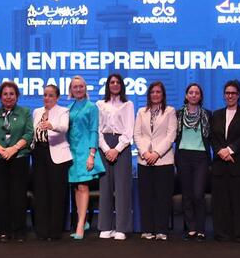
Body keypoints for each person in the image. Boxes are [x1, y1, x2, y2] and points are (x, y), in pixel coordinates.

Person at [210, 79, 240, 243]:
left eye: (233, 93)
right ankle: (222, 233)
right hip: (219, 164)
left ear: (239, 95)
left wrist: (230, 150)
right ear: (224, 95)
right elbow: (212, 137)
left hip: (239, 164)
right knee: (221, 201)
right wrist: (220, 151)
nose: (230, 96)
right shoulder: (216, 114)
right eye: (227, 93)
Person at [0, 81, 33, 242]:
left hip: (19, 158)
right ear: (0, 97)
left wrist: (13, 149)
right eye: (5, 94)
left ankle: (19, 230)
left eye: (12, 94)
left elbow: (29, 134)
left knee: (18, 196)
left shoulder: (25, 112)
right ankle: (4, 230)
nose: (8, 97)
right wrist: (2, 150)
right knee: (2, 196)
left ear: (17, 96)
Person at [134, 81, 175, 240]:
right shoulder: (141, 111)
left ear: (163, 94)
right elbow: (137, 134)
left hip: (163, 160)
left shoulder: (170, 111)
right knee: (146, 196)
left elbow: (170, 135)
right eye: (152, 92)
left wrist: (156, 153)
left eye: (158, 92)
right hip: (144, 160)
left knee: (162, 197)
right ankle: (147, 229)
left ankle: (161, 230)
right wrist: (145, 152)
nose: (155, 94)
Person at [97, 73, 135, 240]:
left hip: (122, 146)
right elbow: (97, 130)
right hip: (104, 144)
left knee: (122, 188)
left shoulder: (128, 104)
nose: (114, 84)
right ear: (108, 85)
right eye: (111, 82)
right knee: (105, 187)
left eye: (117, 82)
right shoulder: (100, 104)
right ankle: (105, 226)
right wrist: (106, 149)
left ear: (121, 85)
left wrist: (116, 149)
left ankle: (121, 228)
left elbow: (129, 130)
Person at [66, 76, 104, 240]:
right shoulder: (68, 108)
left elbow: (94, 131)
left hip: (85, 152)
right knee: (76, 187)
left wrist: (92, 154)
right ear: (71, 90)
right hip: (71, 153)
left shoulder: (92, 107)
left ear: (85, 88)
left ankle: (80, 225)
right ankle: (84, 220)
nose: (78, 89)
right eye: (75, 87)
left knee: (83, 186)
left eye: (81, 86)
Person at [32, 84, 71, 241]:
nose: (47, 98)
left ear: (57, 97)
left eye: (50, 95)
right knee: (40, 192)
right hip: (39, 153)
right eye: (45, 95)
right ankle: (41, 230)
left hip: (57, 155)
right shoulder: (37, 111)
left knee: (56, 193)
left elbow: (64, 128)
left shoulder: (63, 111)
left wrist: (51, 126)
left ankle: (55, 231)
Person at [176, 83, 212, 241]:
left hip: (201, 157)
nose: (193, 95)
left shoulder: (207, 114)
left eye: (196, 93)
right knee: (187, 195)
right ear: (186, 95)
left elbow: (211, 136)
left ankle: (201, 229)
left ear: (200, 96)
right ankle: (191, 229)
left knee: (198, 194)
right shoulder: (178, 114)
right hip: (183, 156)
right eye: (190, 92)